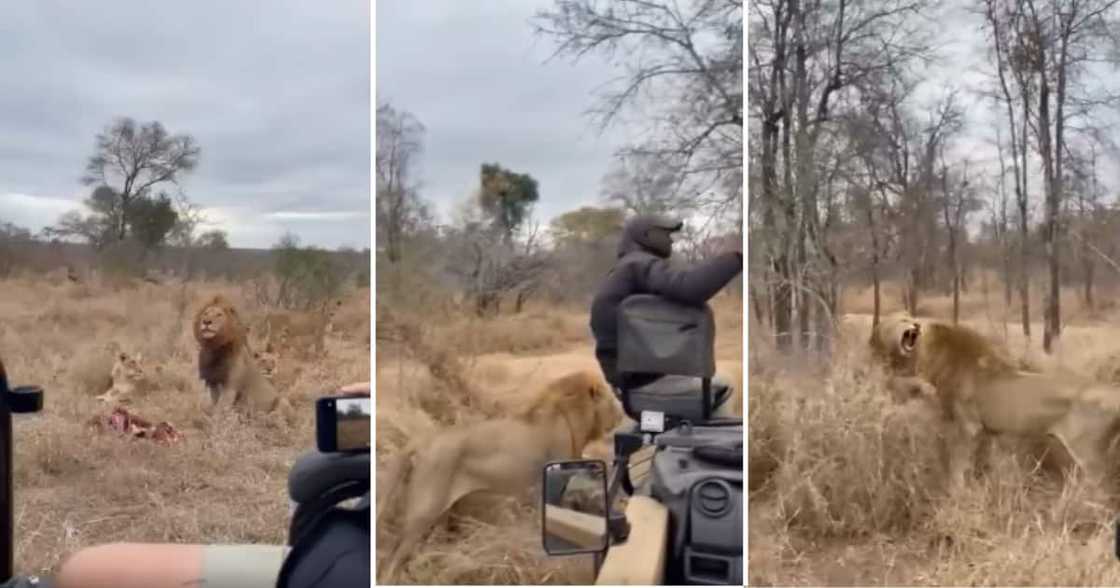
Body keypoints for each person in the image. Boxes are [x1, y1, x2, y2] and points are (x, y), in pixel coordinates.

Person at [0, 382, 371, 588]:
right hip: (345, 557)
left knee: (86, 570)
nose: (209, 324)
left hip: (340, 568)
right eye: (205, 320)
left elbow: (303, 480)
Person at [589, 214, 742, 416]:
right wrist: (737, 258)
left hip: (630, 380)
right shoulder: (638, 265)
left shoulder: (625, 269)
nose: (671, 240)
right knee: (724, 387)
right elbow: (691, 287)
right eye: (666, 234)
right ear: (646, 235)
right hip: (645, 381)